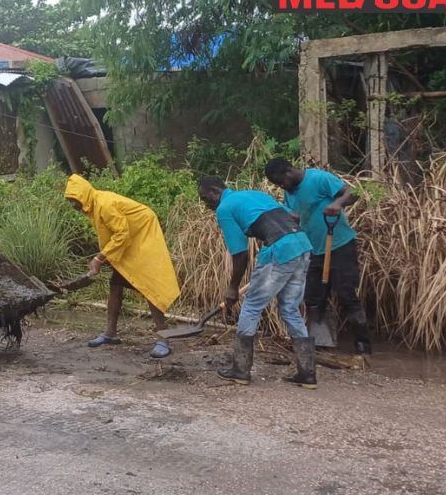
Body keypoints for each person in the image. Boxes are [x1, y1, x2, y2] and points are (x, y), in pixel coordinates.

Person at [197, 176, 317, 388]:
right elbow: (294, 217)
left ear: (216, 191)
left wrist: (232, 288)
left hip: (280, 250)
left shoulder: (224, 208)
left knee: (251, 307)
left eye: (206, 198)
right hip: (302, 245)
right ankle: (307, 374)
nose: (206, 204)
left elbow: (240, 254)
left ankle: (241, 370)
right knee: (290, 308)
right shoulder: (253, 194)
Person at [64, 174, 180, 358]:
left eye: (74, 199)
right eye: (70, 200)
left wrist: (99, 258)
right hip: (129, 242)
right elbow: (111, 234)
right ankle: (110, 333)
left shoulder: (104, 204)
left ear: (83, 195)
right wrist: (106, 256)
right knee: (115, 285)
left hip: (143, 238)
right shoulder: (94, 205)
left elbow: (122, 234)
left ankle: (163, 338)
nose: (73, 205)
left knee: (149, 286)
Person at [264, 158, 372, 355]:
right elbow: (296, 215)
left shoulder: (318, 178)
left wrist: (338, 203)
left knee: (347, 295)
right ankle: (322, 343)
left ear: (288, 171)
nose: (281, 186)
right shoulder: (289, 193)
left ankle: (363, 345)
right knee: (314, 299)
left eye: (281, 182)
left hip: (339, 245)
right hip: (313, 251)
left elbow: (352, 193)